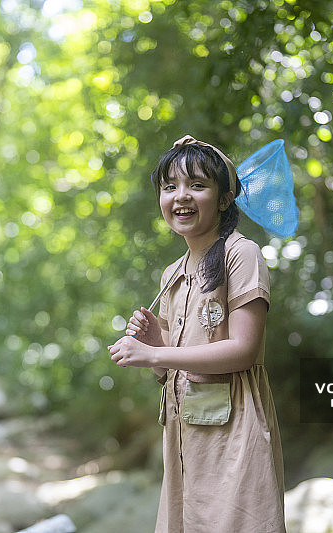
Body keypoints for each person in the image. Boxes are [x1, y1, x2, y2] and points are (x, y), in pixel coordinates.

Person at [109, 135, 286, 532]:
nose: (180, 196)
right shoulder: (171, 274)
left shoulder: (243, 255)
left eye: (197, 185)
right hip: (185, 434)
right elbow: (172, 368)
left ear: (224, 199)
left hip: (235, 433)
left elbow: (242, 350)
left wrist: (154, 354)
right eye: (169, 187)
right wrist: (155, 342)